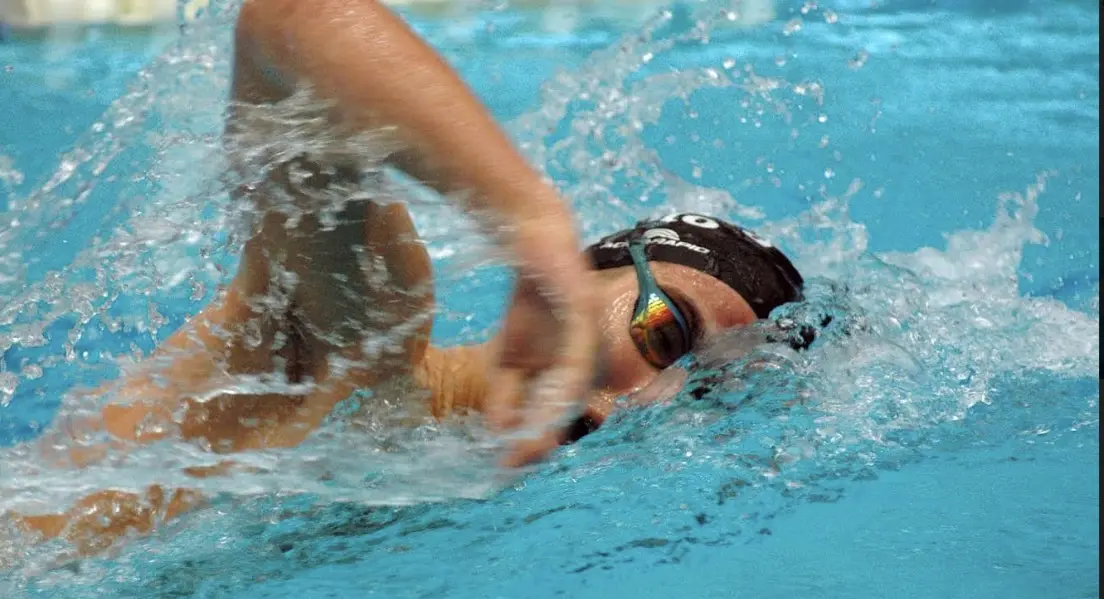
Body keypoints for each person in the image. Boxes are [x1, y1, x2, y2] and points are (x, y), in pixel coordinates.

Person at [8, 0, 805, 555]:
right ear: (591, 276)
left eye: (704, 402)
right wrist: (529, 220)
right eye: (668, 333)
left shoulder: (445, 487)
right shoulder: (360, 333)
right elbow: (285, 27)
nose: (659, 399)